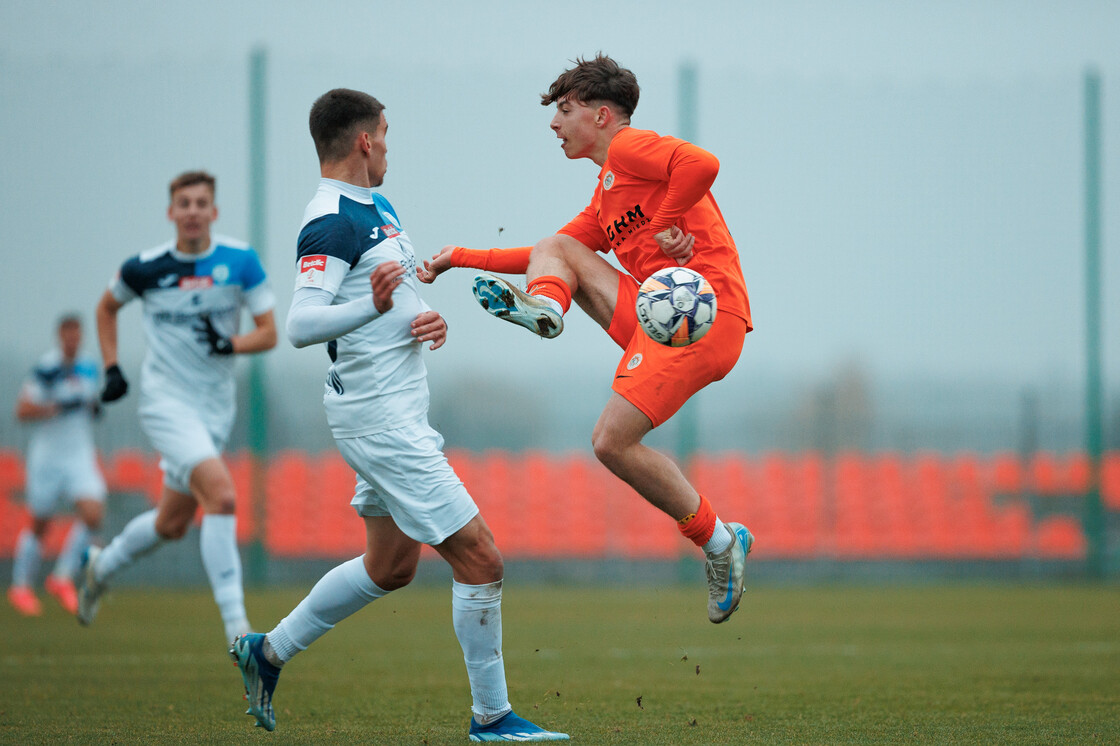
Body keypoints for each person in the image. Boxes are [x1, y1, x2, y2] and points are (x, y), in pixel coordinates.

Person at [229, 88, 568, 742]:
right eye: (384, 133)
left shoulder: (377, 206)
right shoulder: (330, 219)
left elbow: (389, 291)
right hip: (380, 420)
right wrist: (378, 311)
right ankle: (491, 719)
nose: (388, 144)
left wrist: (420, 317)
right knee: (481, 558)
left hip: (394, 410)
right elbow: (302, 322)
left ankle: (266, 653)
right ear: (363, 140)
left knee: (390, 566)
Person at [418, 54, 755, 624]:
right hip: (661, 319)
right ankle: (546, 309)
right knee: (562, 253)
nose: (554, 123)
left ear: (601, 116)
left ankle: (721, 544)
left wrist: (669, 220)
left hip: (706, 315)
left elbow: (702, 163)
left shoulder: (628, 146)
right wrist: (457, 257)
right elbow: (543, 254)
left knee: (608, 441)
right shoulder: (607, 191)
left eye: (564, 110)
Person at [77, 170, 277, 644]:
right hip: (165, 403)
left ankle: (100, 566)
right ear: (171, 213)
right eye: (183, 203)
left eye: (200, 203)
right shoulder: (144, 267)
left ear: (214, 212)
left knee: (172, 522)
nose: (192, 211)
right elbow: (106, 308)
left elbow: (269, 333)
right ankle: (239, 632)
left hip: (215, 409)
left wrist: (231, 345)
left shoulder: (239, 261)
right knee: (223, 496)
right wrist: (111, 368)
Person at [8, 315, 106, 617]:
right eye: (68, 336)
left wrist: (93, 407)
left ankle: (61, 577)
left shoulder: (89, 366)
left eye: (78, 336)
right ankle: (21, 585)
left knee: (93, 513)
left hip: (78, 454)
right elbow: (22, 411)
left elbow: (92, 406)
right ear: (59, 337)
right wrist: (55, 407)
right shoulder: (46, 369)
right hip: (48, 457)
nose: (73, 341)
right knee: (41, 523)